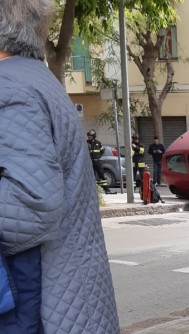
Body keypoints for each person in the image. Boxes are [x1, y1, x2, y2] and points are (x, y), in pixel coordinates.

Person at [0, 0, 120, 332]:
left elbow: (32, 208)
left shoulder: (8, 87)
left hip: (34, 302)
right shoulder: (36, 77)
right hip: (61, 295)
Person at [86, 129, 117, 194]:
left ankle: (107, 190)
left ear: (94, 136)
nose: (89, 137)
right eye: (88, 135)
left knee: (102, 176)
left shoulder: (98, 143)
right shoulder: (86, 143)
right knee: (91, 176)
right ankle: (92, 191)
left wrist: (98, 156)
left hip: (97, 162)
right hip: (89, 162)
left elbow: (102, 150)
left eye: (91, 135)